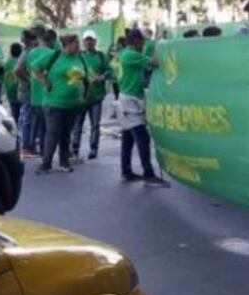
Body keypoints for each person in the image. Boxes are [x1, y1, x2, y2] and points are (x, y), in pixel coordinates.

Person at [118, 30, 168, 186]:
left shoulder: (128, 53)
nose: (144, 44)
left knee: (128, 138)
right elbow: (154, 62)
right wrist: (159, 45)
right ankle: (148, 173)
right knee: (142, 137)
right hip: (130, 100)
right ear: (135, 41)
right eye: (142, 42)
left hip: (130, 98)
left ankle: (126, 171)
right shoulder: (130, 55)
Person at [36, 35, 87, 175]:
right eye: (75, 43)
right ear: (67, 44)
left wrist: (84, 97)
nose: (78, 45)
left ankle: (64, 162)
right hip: (54, 103)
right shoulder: (54, 56)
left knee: (66, 134)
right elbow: (35, 67)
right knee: (53, 133)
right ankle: (46, 164)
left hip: (73, 104)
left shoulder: (80, 58)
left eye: (78, 43)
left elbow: (86, 77)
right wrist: (45, 81)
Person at [72, 31, 111, 160]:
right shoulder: (79, 56)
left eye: (91, 40)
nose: (89, 42)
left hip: (96, 97)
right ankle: (75, 148)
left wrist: (101, 77)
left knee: (95, 125)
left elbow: (110, 72)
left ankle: (93, 149)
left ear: (95, 42)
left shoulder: (101, 56)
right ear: (83, 42)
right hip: (81, 98)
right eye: (86, 40)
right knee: (77, 124)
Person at [27, 30, 58, 155]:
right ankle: (45, 152)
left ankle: (34, 148)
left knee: (37, 124)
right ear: (52, 41)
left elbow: (30, 70)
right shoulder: (53, 53)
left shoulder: (32, 53)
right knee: (48, 127)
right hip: (48, 95)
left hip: (35, 94)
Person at [15, 30, 39, 155]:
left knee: (25, 117)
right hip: (27, 92)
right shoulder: (28, 52)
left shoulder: (29, 51)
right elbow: (18, 70)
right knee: (28, 119)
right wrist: (29, 81)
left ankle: (26, 144)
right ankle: (26, 146)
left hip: (27, 91)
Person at [4, 43, 23, 122]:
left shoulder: (7, 63)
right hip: (20, 90)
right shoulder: (21, 63)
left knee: (15, 114)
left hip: (10, 92)